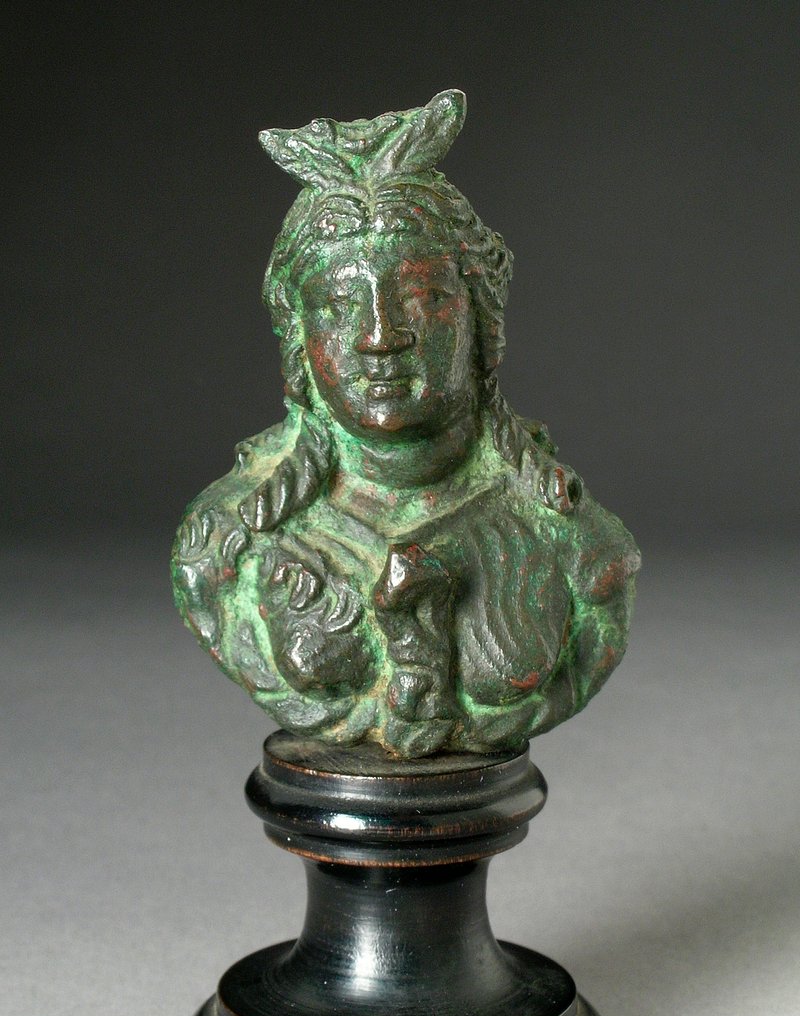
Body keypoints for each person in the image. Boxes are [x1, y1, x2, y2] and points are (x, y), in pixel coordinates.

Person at [172, 91, 640, 757]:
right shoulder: (225, 548)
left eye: (422, 297)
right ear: (297, 340)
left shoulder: (570, 541)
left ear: (480, 323)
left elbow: (590, 646)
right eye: (338, 304)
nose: (379, 337)